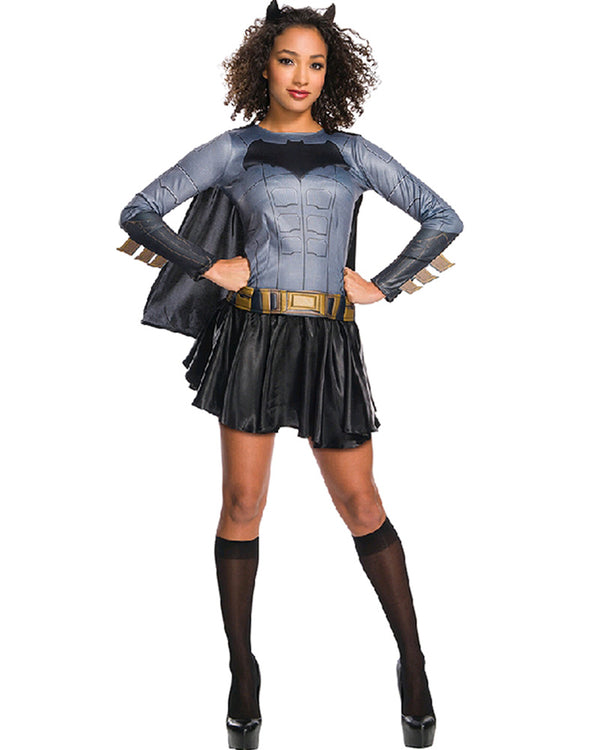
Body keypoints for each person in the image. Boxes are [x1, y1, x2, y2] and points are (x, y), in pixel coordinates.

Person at [118, 2, 463, 747]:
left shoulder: (354, 152)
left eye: (315, 63)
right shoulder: (235, 149)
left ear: (330, 73)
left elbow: (443, 217)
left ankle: (413, 662)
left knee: (361, 502)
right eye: (287, 60)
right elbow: (139, 211)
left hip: (329, 339)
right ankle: (242, 671)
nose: (301, 76)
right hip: (252, 335)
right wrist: (209, 265)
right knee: (243, 502)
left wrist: (385, 284)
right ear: (263, 66)